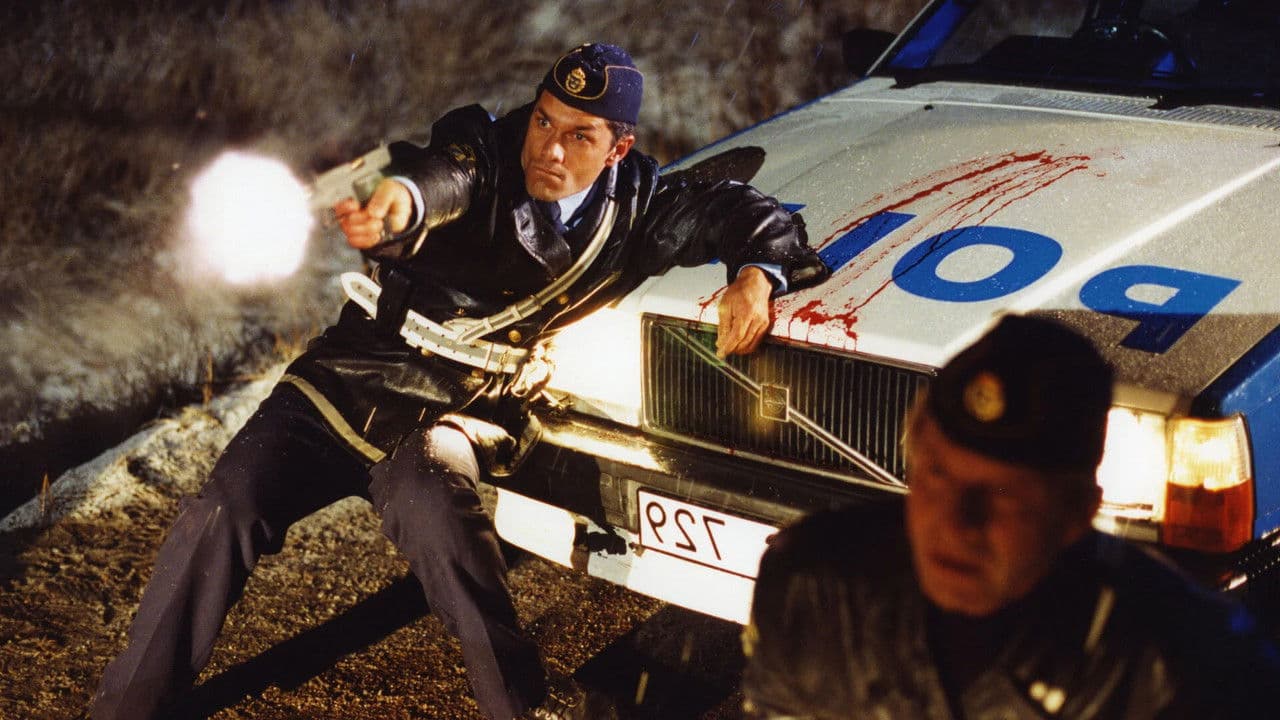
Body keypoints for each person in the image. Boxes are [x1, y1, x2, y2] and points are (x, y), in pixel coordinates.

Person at [91, 43, 830, 720]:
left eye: (580, 136)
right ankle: (126, 708)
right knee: (222, 507)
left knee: (445, 528)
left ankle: (517, 708)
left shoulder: (636, 210)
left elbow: (741, 210)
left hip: (454, 408)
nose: (550, 147)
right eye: (544, 121)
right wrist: (402, 204)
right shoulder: (485, 149)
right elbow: (443, 176)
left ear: (618, 149)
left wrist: (757, 275)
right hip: (351, 378)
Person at [740, 314, 1280, 719]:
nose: (957, 523)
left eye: (1003, 496)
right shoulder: (812, 592)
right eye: (937, 474)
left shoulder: (1188, 672)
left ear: (1076, 514)